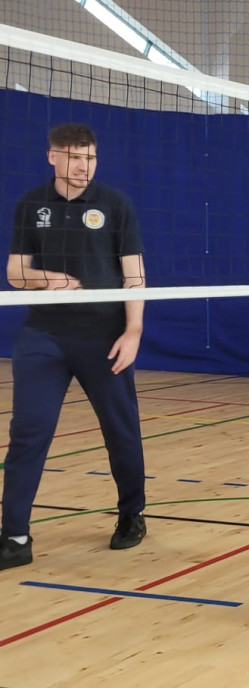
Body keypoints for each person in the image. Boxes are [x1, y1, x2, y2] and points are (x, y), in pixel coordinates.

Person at [1, 123, 147, 572]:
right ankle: (14, 536)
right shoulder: (32, 204)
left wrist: (133, 331)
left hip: (103, 337)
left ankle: (131, 514)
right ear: (53, 157)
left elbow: (134, 274)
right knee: (28, 433)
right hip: (43, 337)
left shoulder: (115, 204)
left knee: (121, 430)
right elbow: (15, 273)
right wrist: (48, 279)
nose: (84, 167)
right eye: (76, 158)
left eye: (90, 158)